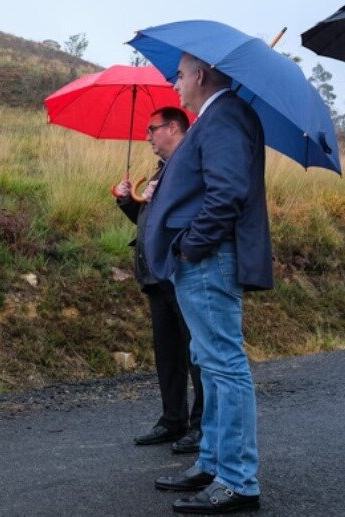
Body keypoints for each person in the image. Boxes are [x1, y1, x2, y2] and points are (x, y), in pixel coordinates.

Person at [145, 52, 271, 514]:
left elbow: (227, 194)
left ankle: (238, 481)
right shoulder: (216, 118)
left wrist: (189, 247)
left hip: (208, 260)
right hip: (202, 260)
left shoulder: (224, 117)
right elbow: (207, 187)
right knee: (211, 361)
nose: (174, 83)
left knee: (224, 365)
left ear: (199, 75)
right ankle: (214, 462)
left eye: (179, 75)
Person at [115, 107, 203, 456]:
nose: (147, 136)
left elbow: (191, 215)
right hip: (156, 276)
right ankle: (173, 420)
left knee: (196, 353)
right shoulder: (162, 169)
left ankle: (201, 427)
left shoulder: (189, 163)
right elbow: (150, 219)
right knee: (168, 354)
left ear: (173, 128)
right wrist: (127, 200)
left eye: (152, 129)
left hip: (180, 272)